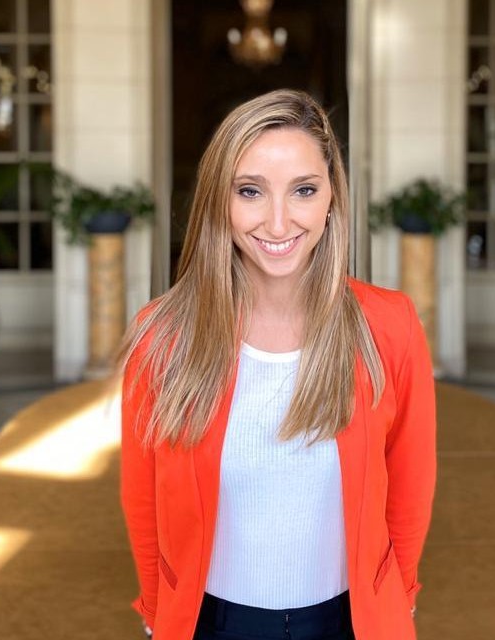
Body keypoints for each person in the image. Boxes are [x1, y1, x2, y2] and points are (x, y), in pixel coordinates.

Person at [118, 89, 437, 640]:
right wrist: (157, 609)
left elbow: (411, 484)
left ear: (331, 198)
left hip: (350, 621)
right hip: (210, 623)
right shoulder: (162, 337)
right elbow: (144, 498)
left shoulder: (389, 326)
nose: (278, 221)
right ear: (219, 201)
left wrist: (398, 595)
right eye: (250, 191)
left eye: (304, 190)